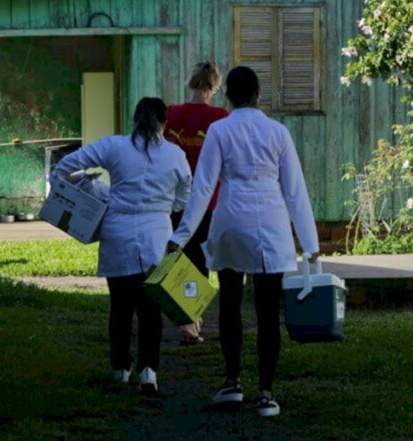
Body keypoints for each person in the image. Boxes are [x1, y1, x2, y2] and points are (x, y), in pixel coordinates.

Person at [169, 66, 320, 418]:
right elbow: (294, 191)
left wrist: (181, 234)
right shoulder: (278, 132)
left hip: (230, 219)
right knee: (268, 312)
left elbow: (203, 186)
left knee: (230, 304)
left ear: (228, 96)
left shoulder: (220, 130)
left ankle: (232, 383)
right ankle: (266, 393)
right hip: (271, 222)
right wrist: (310, 243)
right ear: (257, 95)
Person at [51, 97, 191, 395]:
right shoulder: (175, 155)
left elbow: (66, 166)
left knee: (121, 307)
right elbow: (184, 198)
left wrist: (84, 193)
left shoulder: (114, 146)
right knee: (151, 308)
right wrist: (165, 205)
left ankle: (120, 368)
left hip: (118, 233)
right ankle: (149, 372)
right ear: (165, 123)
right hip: (156, 235)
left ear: (135, 120)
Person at [163, 60, 230, 345]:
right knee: (199, 260)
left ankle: (187, 318)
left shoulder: (171, 114)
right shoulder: (220, 116)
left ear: (190, 82)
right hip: (207, 202)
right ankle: (191, 320)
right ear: (215, 86)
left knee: (178, 257)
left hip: (173, 199)